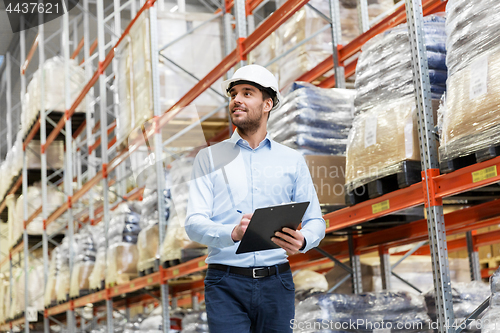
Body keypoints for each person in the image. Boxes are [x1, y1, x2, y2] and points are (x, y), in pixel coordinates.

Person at [185, 64, 325, 332]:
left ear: (267, 104)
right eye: (233, 94)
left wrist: (304, 239)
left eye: (247, 93)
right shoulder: (209, 158)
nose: (236, 99)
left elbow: (316, 219)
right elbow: (194, 222)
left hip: (277, 282)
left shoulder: (292, 160)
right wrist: (233, 233)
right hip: (225, 283)